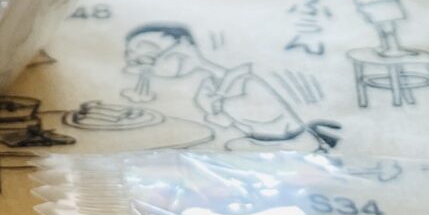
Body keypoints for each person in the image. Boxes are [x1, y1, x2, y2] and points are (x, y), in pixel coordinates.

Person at [121, 24, 334, 148]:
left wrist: (221, 106)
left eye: (151, 54)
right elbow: (222, 121)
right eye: (139, 61)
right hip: (256, 146)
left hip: (295, 146)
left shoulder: (245, 79)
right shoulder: (208, 89)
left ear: (185, 43)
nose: (153, 65)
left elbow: (262, 115)